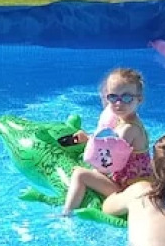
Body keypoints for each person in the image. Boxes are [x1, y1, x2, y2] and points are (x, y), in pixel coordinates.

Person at [61, 68, 151, 215]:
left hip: (126, 189)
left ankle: (66, 213)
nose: (119, 103)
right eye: (113, 97)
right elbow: (110, 145)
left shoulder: (128, 129)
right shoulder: (125, 119)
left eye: (126, 97)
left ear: (139, 99)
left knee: (79, 174)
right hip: (132, 180)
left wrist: (89, 143)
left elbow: (107, 163)